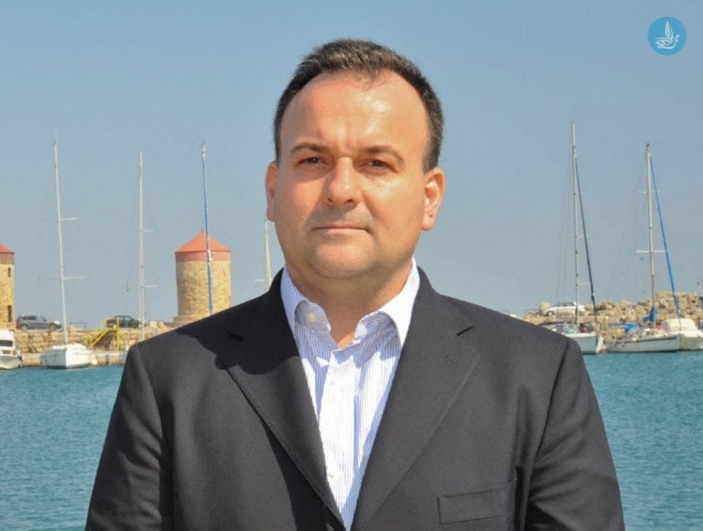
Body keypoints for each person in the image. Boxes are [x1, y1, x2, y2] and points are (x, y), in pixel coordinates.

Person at [86, 39, 624, 530]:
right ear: (273, 190)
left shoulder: (537, 377)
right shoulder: (167, 381)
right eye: (313, 159)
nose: (341, 188)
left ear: (429, 197)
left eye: (376, 163)